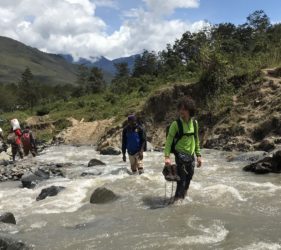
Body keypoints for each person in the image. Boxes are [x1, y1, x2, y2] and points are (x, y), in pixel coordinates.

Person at [164, 97, 202, 203]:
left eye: (184, 109)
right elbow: (169, 141)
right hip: (179, 155)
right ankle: (177, 201)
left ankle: (183, 197)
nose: (181, 111)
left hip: (191, 156)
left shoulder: (195, 124)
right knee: (181, 180)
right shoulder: (175, 124)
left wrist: (198, 155)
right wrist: (167, 157)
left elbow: (196, 139)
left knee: (189, 178)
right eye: (180, 109)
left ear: (190, 110)